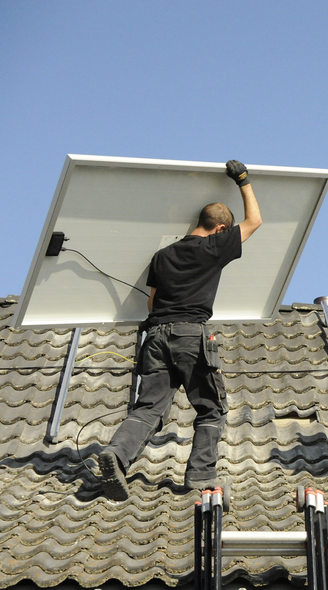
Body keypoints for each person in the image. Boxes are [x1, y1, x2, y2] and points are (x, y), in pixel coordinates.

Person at [97, 160, 262, 508]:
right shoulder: (215, 247)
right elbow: (255, 222)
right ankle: (200, 476)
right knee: (211, 408)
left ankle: (116, 454)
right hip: (191, 336)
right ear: (219, 229)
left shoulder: (161, 255)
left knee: (147, 409)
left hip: (156, 337)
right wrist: (243, 180)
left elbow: (151, 304)